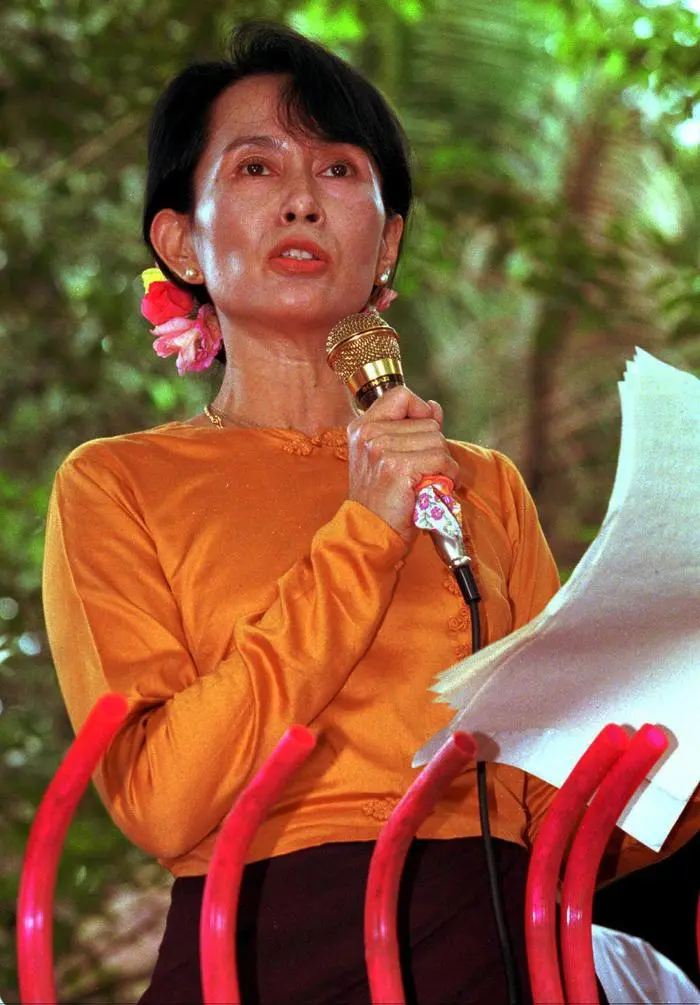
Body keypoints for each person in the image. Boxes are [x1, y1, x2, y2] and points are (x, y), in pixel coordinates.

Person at [42, 22, 698, 1005]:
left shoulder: (484, 485)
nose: (303, 197)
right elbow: (162, 800)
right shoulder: (117, 482)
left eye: (340, 169)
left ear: (386, 238)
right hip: (255, 953)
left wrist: (674, 760)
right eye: (258, 166)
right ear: (179, 238)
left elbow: (555, 812)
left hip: (490, 946)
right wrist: (364, 531)